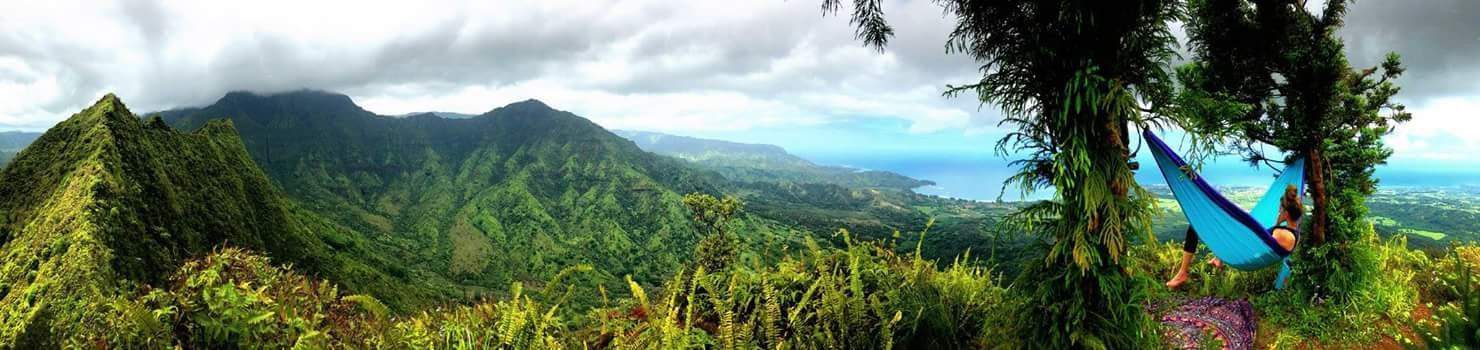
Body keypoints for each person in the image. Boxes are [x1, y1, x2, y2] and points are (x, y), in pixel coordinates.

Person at [1166, 184, 1302, 289]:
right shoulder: (1294, 233)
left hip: (1245, 253)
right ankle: (1218, 258)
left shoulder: (1282, 233)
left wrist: (1277, 223)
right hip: (1245, 249)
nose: (1278, 210)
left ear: (1286, 213)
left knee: (1195, 225)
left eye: (1280, 209)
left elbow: (1257, 246)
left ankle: (1183, 272)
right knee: (1200, 225)